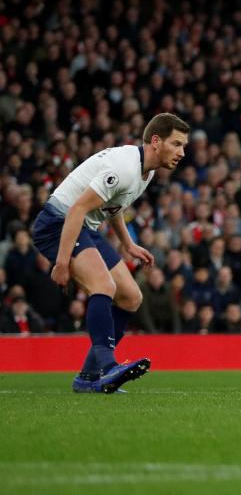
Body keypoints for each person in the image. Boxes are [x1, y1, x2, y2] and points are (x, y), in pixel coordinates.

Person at [30, 113, 190, 393]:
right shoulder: (125, 168)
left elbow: (112, 207)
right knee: (104, 285)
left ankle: (89, 378)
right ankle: (108, 367)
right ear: (156, 141)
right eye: (176, 144)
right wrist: (62, 262)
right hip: (58, 224)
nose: (182, 152)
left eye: (183, 146)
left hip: (83, 227)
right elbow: (77, 209)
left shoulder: (146, 171)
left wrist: (128, 244)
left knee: (131, 297)